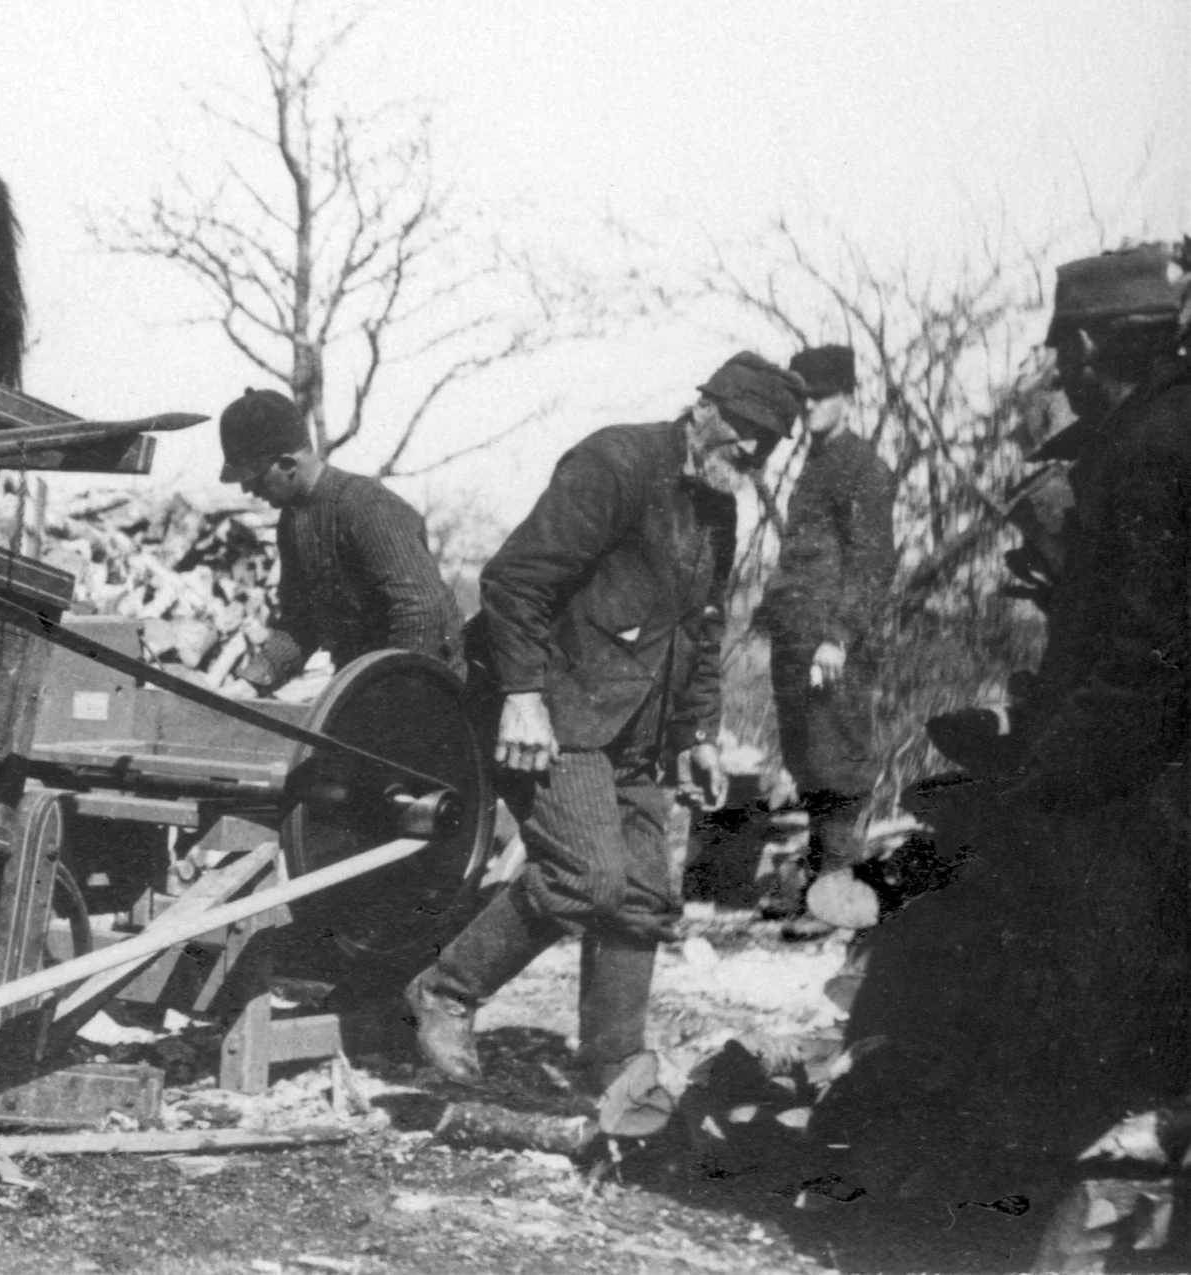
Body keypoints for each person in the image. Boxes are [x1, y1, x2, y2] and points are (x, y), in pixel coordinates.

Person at [823, 244, 1190, 1223]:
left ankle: (987, 1221)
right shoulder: (1157, 429)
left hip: (1139, 797)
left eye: (1060, 356)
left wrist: (1040, 780)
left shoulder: (1149, 447)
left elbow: (1142, 666)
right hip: (1141, 775)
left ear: (1080, 346)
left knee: (1068, 1002)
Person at [402, 352, 802, 1092]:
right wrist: (522, 694)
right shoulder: (616, 461)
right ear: (704, 406)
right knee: (586, 876)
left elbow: (701, 627)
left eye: (771, 441)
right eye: (746, 428)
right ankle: (446, 991)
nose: (753, 449)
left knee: (644, 895)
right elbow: (515, 580)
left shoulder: (720, 505)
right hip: (547, 708)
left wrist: (698, 733)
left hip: (635, 729)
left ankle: (611, 1067)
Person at [756, 344, 897, 928]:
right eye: (802, 396)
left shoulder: (862, 467)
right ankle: (819, 887)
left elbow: (871, 564)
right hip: (797, 640)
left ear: (849, 397)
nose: (809, 406)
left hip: (832, 647)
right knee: (809, 761)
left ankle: (836, 898)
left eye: (820, 396)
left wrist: (837, 638)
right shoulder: (814, 464)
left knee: (836, 763)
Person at [216, 388, 462, 689]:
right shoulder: (292, 523)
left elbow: (421, 610)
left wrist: (392, 693)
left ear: (288, 464)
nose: (247, 490)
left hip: (424, 688)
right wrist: (252, 681)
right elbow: (301, 622)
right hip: (364, 685)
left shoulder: (367, 508)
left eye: (254, 478)